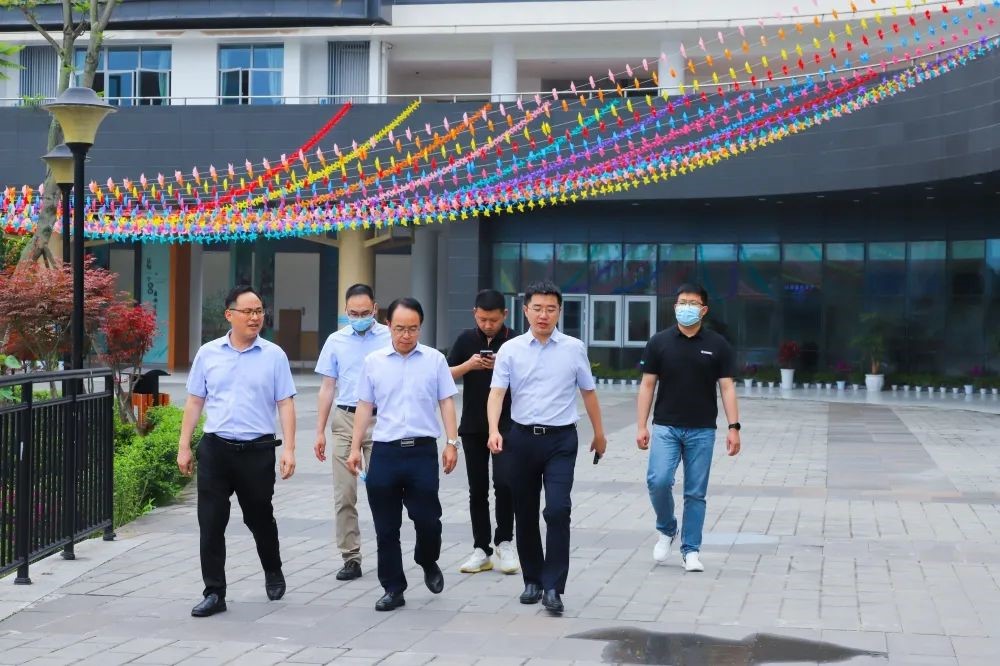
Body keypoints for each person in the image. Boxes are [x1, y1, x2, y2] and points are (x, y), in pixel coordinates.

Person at [487, 280, 607, 615]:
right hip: (521, 439)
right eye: (537, 308)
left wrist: (599, 434)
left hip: (561, 440)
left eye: (550, 309)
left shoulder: (573, 348)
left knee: (557, 509)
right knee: (524, 511)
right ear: (526, 310)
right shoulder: (510, 349)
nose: (543, 315)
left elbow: (588, 392)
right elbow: (497, 393)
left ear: (559, 312)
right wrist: (494, 429)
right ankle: (533, 580)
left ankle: (553, 586)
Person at [177, 285, 297, 618]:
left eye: (259, 311)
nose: (255, 317)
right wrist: (184, 445)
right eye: (248, 311)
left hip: (257, 451)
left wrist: (289, 449)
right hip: (216, 449)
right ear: (229, 314)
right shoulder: (208, 354)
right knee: (211, 523)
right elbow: (195, 401)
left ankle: (272, 568)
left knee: (259, 518)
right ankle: (214, 592)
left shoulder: (274, 355)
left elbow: (285, 402)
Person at [346, 297, 460, 611]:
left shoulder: (435, 360)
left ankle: (427, 558)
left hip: (422, 452)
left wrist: (452, 442)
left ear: (420, 327)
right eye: (399, 328)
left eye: (412, 329)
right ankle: (393, 588)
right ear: (388, 326)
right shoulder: (374, 362)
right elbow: (364, 406)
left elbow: (446, 401)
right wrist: (355, 448)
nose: (406, 335)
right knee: (386, 527)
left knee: (428, 520)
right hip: (385, 452)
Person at [636, 283, 741, 574]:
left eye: (693, 303)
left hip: (702, 430)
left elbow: (727, 388)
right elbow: (647, 385)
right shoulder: (659, 342)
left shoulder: (718, 345)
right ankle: (667, 528)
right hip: (666, 426)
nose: (686, 308)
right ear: (675, 307)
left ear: (704, 310)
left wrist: (734, 427)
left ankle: (691, 550)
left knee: (695, 493)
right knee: (658, 481)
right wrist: (641, 425)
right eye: (682, 302)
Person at [313, 283, 390, 581]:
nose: (359, 318)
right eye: (353, 313)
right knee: (344, 493)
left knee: (383, 491)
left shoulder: (389, 337)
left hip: (381, 421)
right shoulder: (335, 341)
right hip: (346, 419)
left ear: (375, 309)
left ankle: (388, 554)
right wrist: (319, 431)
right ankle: (351, 557)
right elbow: (327, 388)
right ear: (345, 311)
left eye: (364, 313)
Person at [448, 289, 519, 575]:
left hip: (508, 425)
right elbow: (443, 374)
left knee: (505, 483)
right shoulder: (465, 339)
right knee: (477, 489)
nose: (488, 325)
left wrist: (502, 363)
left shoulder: (516, 342)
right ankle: (481, 548)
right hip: (473, 426)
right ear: (474, 314)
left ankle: (505, 542)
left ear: (505, 314)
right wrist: (469, 365)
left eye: (493, 320)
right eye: (482, 319)